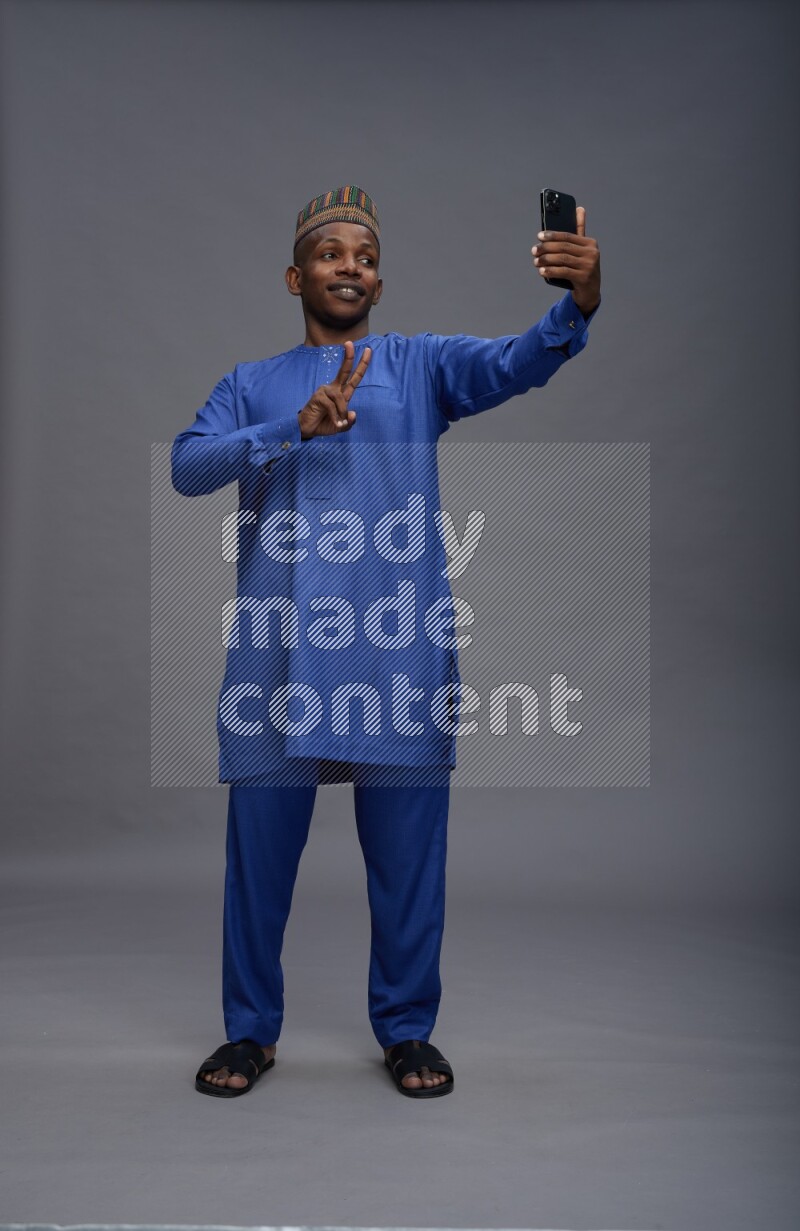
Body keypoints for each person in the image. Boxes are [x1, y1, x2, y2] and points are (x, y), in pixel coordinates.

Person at [171, 185, 601, 1098]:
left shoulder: (420, 366)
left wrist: (578, 308)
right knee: (258, 860)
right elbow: (187, 466)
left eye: (364, 255)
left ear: (379, 277)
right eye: (332, 252)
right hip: (278, 657)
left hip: (394, 652)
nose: (350, 265)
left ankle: (407, 1031)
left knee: (409, 860)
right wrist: (292, 426)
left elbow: (519, 362)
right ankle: (249, 1032)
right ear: (297, 274)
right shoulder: (252, 381)